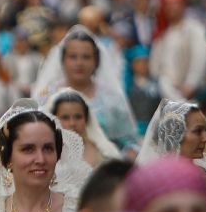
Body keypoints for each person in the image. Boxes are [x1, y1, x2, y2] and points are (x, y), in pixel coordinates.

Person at [34, 25, 139, 156]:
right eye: (73, 57)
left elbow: (130, 143)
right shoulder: (47, 97)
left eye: (86, 57)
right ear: (63, 60)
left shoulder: (111, 99)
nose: (79, 63)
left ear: (96, 61)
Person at [148, 0, 206, 102]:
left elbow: (200, 58)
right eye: (168, 5)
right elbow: (155, 66)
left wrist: (191, 84)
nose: (171, 8)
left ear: (184, 6)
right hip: (166, 90)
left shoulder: (194, 29)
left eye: (175, 4)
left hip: (188, 90)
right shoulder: (163, 34)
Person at [46, 88, 116, 169]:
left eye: (78, 117)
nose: (72, 123)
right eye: (65, 117)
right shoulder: (45, 153)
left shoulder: (103, 152)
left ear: (86, 119)